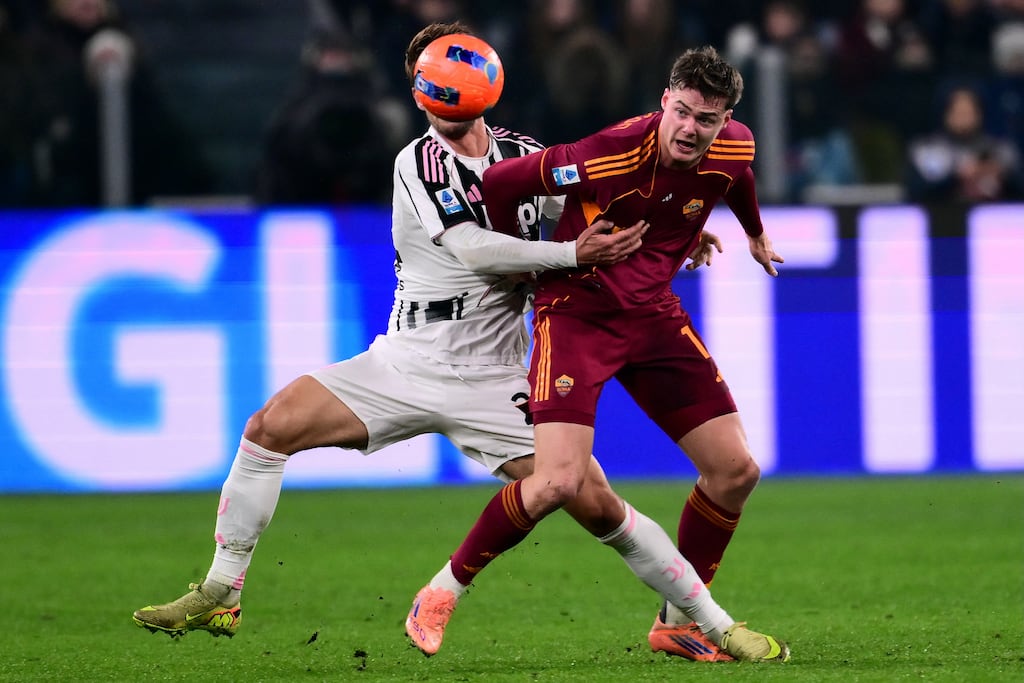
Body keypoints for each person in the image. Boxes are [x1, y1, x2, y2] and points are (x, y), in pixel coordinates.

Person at [132, 23, 786, 664]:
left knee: (593, 502)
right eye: (428, 80)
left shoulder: (523, 155)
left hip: (496, 374)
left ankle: (697, 623)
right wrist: (566, 252)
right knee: (269, 427)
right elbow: (474, 247)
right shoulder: (417, 161)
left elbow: (597, 208)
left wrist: (671, 228)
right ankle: (221, 589)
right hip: (405, 359)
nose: (437, 92)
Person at [406, 45, 790, 662]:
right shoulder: (605, 153)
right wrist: (523, 263)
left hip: (653, 316)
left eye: (708, 119)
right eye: (684, 112)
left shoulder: (733, 144)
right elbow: (504, 181)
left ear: (724, 122)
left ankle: (677, 620)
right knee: (556, 482)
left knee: (737, 472)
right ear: (664, 101)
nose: (693, 129)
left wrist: (751, 229)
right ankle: (442, 590)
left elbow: (736, 174)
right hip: (577, 315)